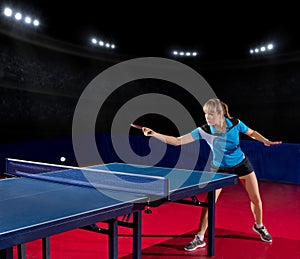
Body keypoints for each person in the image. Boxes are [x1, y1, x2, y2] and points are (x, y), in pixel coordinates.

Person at [142, 98, 282, 251]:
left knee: (256, 198)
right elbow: (178, 141)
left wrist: (265, 141)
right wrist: (154, 134)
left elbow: (252, 133)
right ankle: (200, 237)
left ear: (220, 114)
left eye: (211, 114)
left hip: (241, 164)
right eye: (205, 114)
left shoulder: (235, 124)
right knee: (209, 204)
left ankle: (259, 226)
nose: (207, 118)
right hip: (219, 168)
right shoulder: (205, 130)